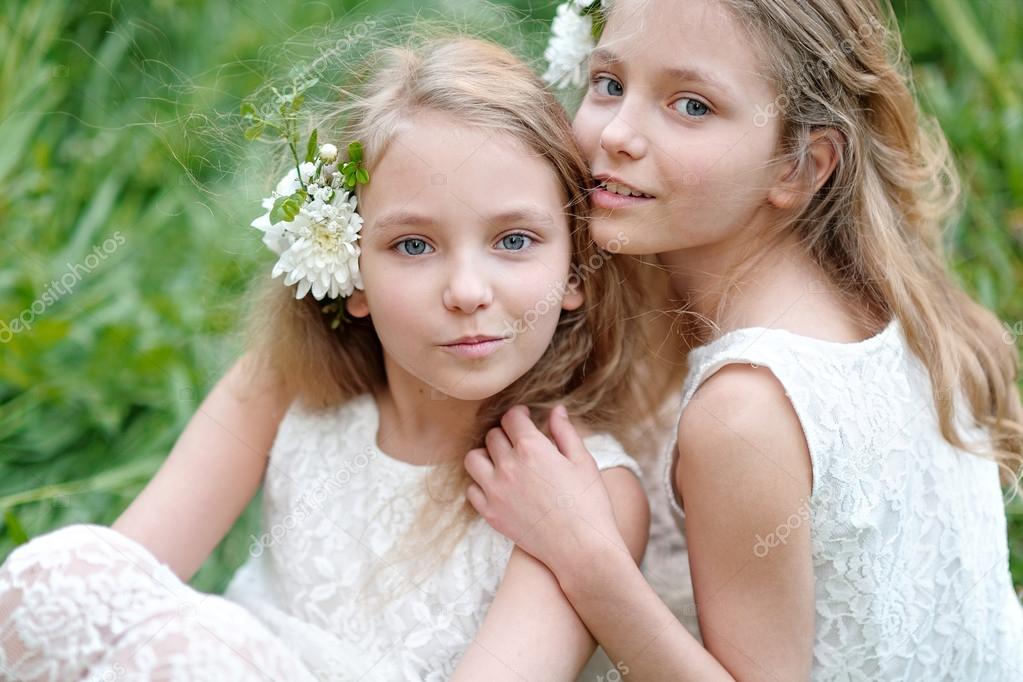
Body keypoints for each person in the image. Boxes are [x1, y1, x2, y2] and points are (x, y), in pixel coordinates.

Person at [0, 37, 651, 681]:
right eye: (414, 245)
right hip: (214, 660)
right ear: (349, 269)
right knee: (69, 571)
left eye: (513, 240)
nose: (467, 292)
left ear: (576, 269)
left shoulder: (577, 490)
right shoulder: (285, 382)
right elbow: (124, 577)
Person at [465, 0, 1023, 679]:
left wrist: (582, 554)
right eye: (608, 84)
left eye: (691, 106)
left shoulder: (746, 412)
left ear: (797, 166)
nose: (617, 133)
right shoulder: (899, 308)